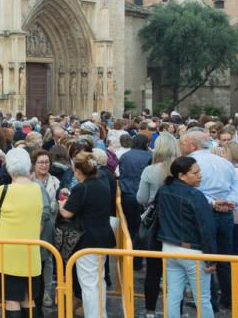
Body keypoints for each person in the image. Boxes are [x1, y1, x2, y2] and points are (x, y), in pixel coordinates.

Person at [0, 147, 43, 318]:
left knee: (11, 299)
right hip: (31, 253)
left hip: (7, 254)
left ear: (9, 167)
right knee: (28, 298)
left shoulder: (4, 190)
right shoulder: (37, 189)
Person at [183, 129, 238, 311]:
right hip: (223, 213)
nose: (182, 146)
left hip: (204, 214)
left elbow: (192, 190)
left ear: (192, 144)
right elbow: (237, 185)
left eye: (184, 143)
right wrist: (228, 202)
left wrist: (219, 203)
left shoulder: (192, 164)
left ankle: (211, 301)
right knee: (224, 257)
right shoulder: (224, 162)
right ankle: (226, 298)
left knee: (206, 257)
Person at [157, 156, 217, 318]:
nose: (200, 175)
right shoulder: (195, 196)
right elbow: (206, 229)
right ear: (182, 176)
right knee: (202, 298)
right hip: (192, 252)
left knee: (173, 294)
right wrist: (211, 258)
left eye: (199, 171)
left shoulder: (164, 189)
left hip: (168, 248)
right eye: (195, 172)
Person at [58, 151, 115, 318]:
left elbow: (67, 213)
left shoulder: (81, 188)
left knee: (89, 284)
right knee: (99, 281)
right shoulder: (103, 183)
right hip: (103, 237)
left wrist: (62, 204)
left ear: (77, 171)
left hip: (87, 240)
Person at [136, 131, 179, 318]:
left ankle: (150, 310)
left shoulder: (151, 171)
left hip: (157, 225)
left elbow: (141, 197)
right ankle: (174, 310)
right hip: (178, 224)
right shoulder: (182, 170)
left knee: (153, 269)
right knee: (176, 272)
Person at [118, 134, 152, 270]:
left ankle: (130, 258)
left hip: (128, 194)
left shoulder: (125, 156)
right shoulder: (149, 157)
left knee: (130, 228)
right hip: (144, 196)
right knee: (143, 228)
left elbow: (122, 173)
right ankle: (138, 259)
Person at [31, 148, 60, 308]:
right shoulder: (28, 180)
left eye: (47, 162)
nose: (44, 165)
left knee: (47, 259)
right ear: (34, 164)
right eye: (40, 162)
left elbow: (58, 202)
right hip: (31, 224)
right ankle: (32, 292)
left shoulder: (55, 181)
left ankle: (47, 293)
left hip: (50, 225)